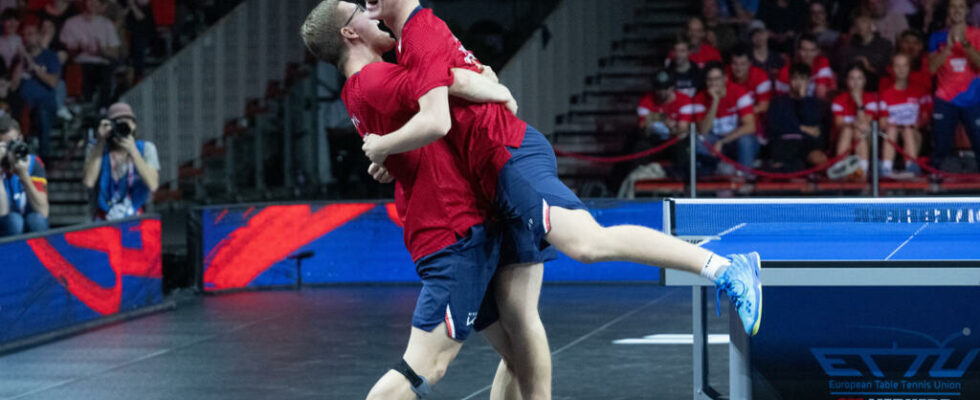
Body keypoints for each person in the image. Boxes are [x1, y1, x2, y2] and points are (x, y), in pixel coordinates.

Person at [306, 1, 763, 399]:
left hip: (504, 157)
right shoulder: (394, 62)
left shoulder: (416, 40)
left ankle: (723, 267)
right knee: (519, 333)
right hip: (477, 191)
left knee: (585, 245)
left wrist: (487, 92)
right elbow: (451, 93)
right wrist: (397, 144)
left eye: (368, 2)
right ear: (349, 32)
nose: (367, 9)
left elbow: (442, 103)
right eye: (358, 8)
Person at [81, 102, 159, 220]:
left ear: (134, 126)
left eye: (127, 123)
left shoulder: (146, 149)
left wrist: (133, 152)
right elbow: (88, 182)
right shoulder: (96, 148)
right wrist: (100, 142)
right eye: (117, 123)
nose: (122, 128)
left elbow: (153, 185)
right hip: (104, 216)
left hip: (138, 215)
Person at [927, 0, 980, 170]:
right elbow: (931, 68)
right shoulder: (937, 37)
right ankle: (936, 187)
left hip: (973, 99)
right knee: (940, 149)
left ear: (966, 11)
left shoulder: (977, 34)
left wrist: (964, 43)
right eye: (953, 6)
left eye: (961, 6)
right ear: (948, 10)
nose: (957, 10)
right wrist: (948, 47)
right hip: (945, 99)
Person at [693, 62, 758, 175]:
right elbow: (703, 131)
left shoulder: (739, 92)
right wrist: (715, 102)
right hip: (714, 141)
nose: (713, 83)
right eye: (710, 80)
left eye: (717, 79)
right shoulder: (699, 98)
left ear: (725, 78)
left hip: (733, 140)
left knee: (746, 140)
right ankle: (714, 173)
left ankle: (744, 179)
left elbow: (750, 126)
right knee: (698, 141)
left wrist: (723, 141)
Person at [765, 63, 829, 172]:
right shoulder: (778, 102)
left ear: (809, 82)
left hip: (806, 145)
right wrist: (804, 129)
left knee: (820, 159)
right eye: (795, 78)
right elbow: (776, 127)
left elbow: (816, 130)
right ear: (790, 80)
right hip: (785, 144)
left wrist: (802, 99)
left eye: (803, 79)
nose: (799, 83)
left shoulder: (814, 103)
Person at [60, 0, 120, 108]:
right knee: (80, 72)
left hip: (101, 62)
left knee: (106, 74)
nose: (93, 3)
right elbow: (65, 50)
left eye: (97, 1)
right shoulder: (71, 23)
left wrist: (102, 51)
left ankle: (103, 108)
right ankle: (82, 105)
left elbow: (115, 52)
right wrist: (79, 48)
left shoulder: (107, 24)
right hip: (80, 62)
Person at [878, 53, 931, 176]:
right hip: (891, 130)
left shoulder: (920, 90)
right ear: (891, 69)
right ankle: (886, 168)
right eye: (897, 66)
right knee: (892, 130)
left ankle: (911, 167)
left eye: (904, 66)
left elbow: (925, 117)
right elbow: (882, 122)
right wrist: (892, 126)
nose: (901, 70)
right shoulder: (885, 94)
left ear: (909, 68)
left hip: (912, 130)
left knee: (908, 131)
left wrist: (916, 124)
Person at [17, 22, 61, 161]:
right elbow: (13, 85)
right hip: (24, 104)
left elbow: (53, 82)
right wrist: (20, 61)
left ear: (38, 36)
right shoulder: (19, 58)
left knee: (42, 113)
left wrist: (33, 66)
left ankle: (45, 156)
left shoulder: (50, 56)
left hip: (45, 105)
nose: (27, 38)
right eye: (24, 35)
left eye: (30, 34)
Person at [0, 115, 48, 236]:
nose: (9, 150)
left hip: (31, 223)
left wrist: (24, 175)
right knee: (14, 221)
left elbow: (43, 211)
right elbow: (2, 213)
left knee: (37, 220)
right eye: (4, 145)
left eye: (12, 143)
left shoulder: (33, 163)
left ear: (20, 139)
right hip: (6, 228)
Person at [832, 64, 879, 175]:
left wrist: (859, 103)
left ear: (864, 81)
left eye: (859, 78)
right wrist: (854, 125)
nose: (856, 82)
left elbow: (865, 125)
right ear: (847, 81)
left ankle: (861, 172)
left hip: (865, 138)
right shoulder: (839, 100)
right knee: (848, 130)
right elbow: (839, 125)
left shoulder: (870, 99)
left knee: (859, 132)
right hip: (843, 137)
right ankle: (841, 168)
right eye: (852, 78)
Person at [834, 15, 894, 90]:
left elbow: (889, 71)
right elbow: (841, 71)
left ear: (872, 25)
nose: (860, 25)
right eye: (857, 23)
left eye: (863, 21)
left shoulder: (885, 45)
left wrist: (869, 67)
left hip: (877, 88)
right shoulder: (849, 47)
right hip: (854, 89)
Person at [775, 33, 835, 100]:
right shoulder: (785, 72)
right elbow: (781, 100)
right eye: (804, 50)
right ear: (798, 51)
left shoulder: (822, 62)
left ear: (818, 51)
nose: (808, 54)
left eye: (812, 50)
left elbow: (821, 94)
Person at [728, 45, 772, 136]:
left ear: (750, 63)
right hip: (728, 123)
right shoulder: (724, 76)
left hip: (753, 125)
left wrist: (742, 114)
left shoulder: (760, 76)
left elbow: (764, 106)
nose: (739, 68)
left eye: (743, 64)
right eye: (735, 63)